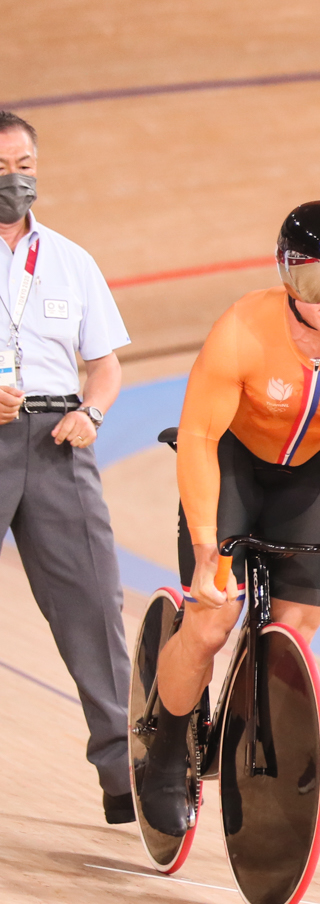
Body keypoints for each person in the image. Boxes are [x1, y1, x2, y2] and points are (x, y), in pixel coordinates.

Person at [139, 202, 320, 835]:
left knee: (294, 633)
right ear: (284, 278)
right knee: (211, 622)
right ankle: (164, 753)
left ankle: (247, 734)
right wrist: (208, 546)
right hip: (234, 459)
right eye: (310, 282)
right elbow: (197, 436)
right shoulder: (242, 328)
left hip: (313, 469)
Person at [0, 111, 136, 824]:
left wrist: (94, 412)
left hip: (58, 440)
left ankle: (124, 774)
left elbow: (106, 365)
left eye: (22, 164)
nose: (13, 179)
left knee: (93, 601)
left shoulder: (71, 260)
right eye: (0, 168)